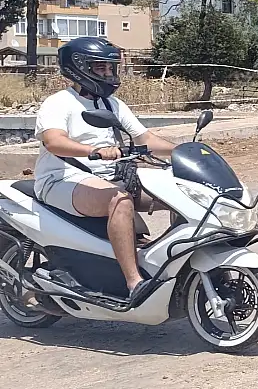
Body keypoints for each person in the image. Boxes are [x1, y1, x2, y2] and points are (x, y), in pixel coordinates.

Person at [35, 37, 176, 299]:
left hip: (107, 177)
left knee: (179, 190)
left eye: (111, 68)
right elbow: (54, 141)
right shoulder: (58, 103)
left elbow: (144, 139)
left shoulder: (113, 104)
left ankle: (176, 260)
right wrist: (94, 151)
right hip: (61, 180)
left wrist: (180, 150)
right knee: (120, 201)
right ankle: (134, 283)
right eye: (101, 68)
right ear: (78, 68)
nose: (108, 74)